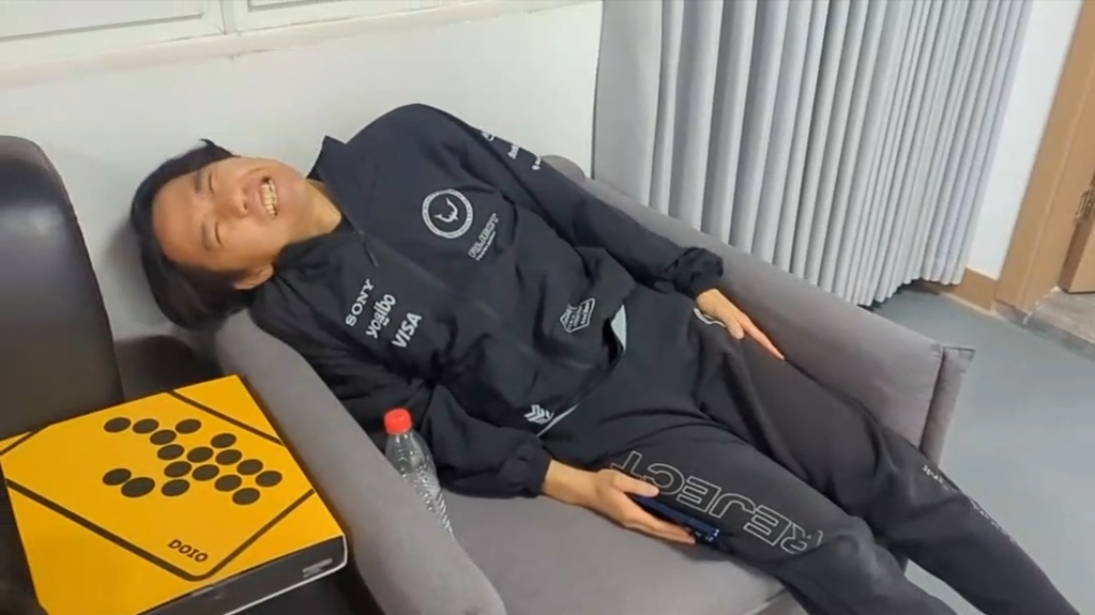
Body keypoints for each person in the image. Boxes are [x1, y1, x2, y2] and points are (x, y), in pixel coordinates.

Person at [131, 103, 1077, 615]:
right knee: (836, 551)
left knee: (902, 483)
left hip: (668, 332)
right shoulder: (298, 314)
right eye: (214, 230)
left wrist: (695, 282)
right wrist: (569, 482)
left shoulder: (408, 139)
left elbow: (571, 206)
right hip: (605, 425)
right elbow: (417, 421)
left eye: (214, 179)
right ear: (244, 272)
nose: (236, 199)